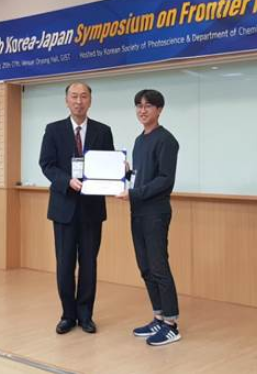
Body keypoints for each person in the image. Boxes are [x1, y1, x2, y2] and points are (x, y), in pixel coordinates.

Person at [39, 82, 114, 335]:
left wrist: (119, 170)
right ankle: (67, 315)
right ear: (66, 100)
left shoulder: (103, 131)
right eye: (74, 96)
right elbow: (46, 164)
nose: (79, 101)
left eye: (83, 96)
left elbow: (107, 164)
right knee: (65, 264)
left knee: (89, 264)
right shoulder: (53, 130)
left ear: (90, 100)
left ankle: (86, 315)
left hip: (92, 208)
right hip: (63, 207)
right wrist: (66, 181)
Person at [116, 89, 181, 346]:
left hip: (156, 212)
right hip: (138, 211)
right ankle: (158, 316)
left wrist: (133, 193)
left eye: (148, 106)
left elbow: (165, 180)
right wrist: (128, 174)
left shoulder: (167, 140)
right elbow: (143, 176)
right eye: (139, 106)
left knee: (158, 267)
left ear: (159, 110)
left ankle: (171, 324)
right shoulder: (139, 140)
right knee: (145, 268)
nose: (142, 110)